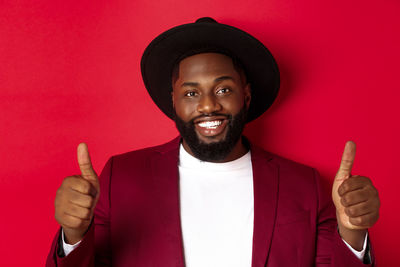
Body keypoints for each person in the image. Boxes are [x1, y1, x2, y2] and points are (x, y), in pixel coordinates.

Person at [46, 17, 380, 266]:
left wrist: (352, 235)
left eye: (223, 89)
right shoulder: (122, 176)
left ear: (245, 96)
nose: (208, 105)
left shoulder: (304, 184)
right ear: (173, 101)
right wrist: (72, 236)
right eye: (191, 93)